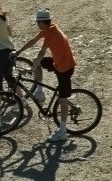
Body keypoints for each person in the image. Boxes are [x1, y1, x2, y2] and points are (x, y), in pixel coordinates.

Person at [15, 8, 77, 142]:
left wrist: (31, 69)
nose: (36, 24)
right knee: (37, 63)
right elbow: (33, 41)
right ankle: (39, 92)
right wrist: (18, 52)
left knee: (62, 99)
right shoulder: (48, 29)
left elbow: (42, 52)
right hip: (58, 62)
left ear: (43, 22)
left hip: (65, 68)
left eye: (38, 22)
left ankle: (62, 131)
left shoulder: (51, 34)